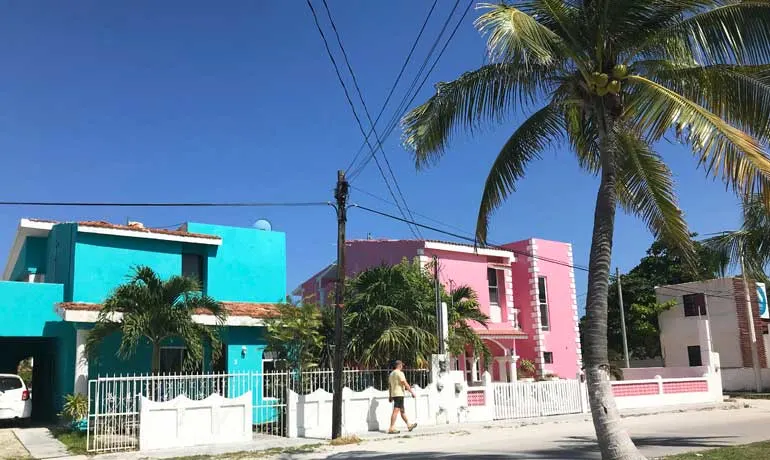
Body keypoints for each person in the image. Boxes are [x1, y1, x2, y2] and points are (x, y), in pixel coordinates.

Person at [387, 360, 417, 434]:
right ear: (399, 365)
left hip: (395, 394)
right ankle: (391, 427)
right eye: (402, 365)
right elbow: (404, 383)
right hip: (399, 394)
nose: (402, 366)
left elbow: (390, 386)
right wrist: (412, 392)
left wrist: (390, 396)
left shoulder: (391, 374)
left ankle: (409, 425)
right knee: (396, 411)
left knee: (402, 411)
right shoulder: (400, 373)